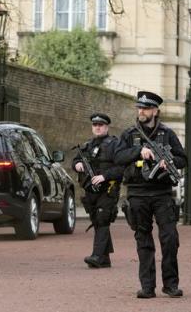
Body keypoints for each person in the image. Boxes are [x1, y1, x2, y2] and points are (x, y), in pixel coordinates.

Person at [114, 91, 187, 299]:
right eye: (139, 108)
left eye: (145, 108)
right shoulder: (129, 134)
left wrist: (169, 161)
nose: (141, 111)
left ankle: (170, 284)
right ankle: (147, 287)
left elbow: (183, 159)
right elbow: (118, 157)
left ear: (155, 110)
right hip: (137, 193)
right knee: (143, 240)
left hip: (162, 194)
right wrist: (139, 152)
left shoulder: (167, 133)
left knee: (170, 238)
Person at [73, 113, 123, 268]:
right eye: (95, 125)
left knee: (102, 219)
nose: (98, 127)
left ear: (107, 127)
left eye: (101, 125)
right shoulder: (88, 145)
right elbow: (75, 160)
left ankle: (97, 255)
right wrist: (77, 165)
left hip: (108, 189)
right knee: (96, 220)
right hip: (91, 190)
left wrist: (104, 176)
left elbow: (122, 167)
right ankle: (105, 257)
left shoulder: (115, 144)